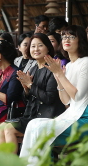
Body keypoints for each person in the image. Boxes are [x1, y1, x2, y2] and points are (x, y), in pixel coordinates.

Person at [20, 25, 88, 165]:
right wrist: (59, 80)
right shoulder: (68, 66)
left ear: (80, 40)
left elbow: (78, 97)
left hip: (83, 118)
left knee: (41, 129)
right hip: (71, 114)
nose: (66, 39)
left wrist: (58, 74)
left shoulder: (86, 63)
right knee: (33, 124)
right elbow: (66, 101)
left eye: (71, 36)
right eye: (63, 36)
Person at [0, 33, 66, 154]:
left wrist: (30, 85)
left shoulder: (52, 68)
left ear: (48, 47)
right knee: (2, 127)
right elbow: (28, 100)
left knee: (9, 129)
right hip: (33, 114)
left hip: (48, 116)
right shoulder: (33, 69)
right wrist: (26, 89)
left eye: (40, 45)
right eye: (33, 46)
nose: (36, 49)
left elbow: (49, 98)